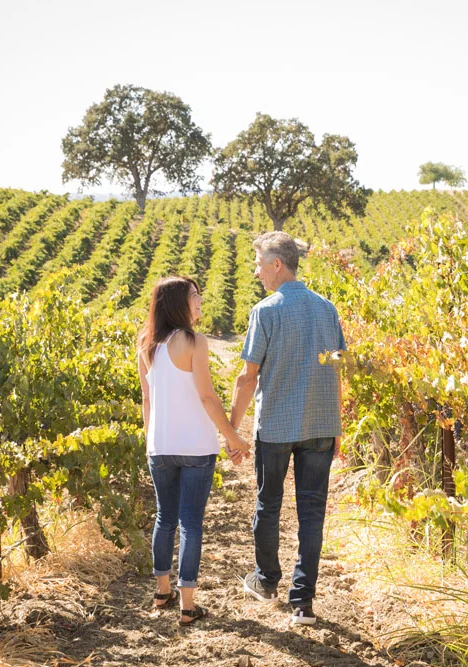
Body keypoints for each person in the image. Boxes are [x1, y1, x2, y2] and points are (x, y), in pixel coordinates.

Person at [230, 231, 347, 626]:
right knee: (311, 513)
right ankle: (303, 603)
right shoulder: (327, 309)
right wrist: (338, 422)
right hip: (320, 425)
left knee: (269, 504)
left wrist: (232, 430)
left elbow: (248, 378)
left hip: (276, 426)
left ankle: (266, 583)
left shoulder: (265, 311)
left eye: (260, 263)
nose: (257, 271)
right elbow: (336, 367)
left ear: (277, 264)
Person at [137, 276, 251, 627]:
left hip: (161, 445)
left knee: (164, 517)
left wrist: (149, 440)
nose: (200, 303)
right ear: (177, 303)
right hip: (196, 446)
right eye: (194, 297)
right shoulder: (194, 342)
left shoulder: (146, 344)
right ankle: (188, 606)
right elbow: (207, 396)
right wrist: (233, 437)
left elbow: (146, 399)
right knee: (190, 522)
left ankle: (161, 592)